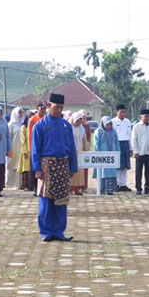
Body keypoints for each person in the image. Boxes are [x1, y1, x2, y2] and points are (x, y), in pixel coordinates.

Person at [31, 93, 77, 242]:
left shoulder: (66, 126)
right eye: (56, 107)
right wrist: (37, 169)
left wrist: (72, 167)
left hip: (62, 165)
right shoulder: (40, 125)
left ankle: (59, 231)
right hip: (46, 166)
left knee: (61, 201)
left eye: (61, 107)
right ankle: (46, 232)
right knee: (45, 201)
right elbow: (35, 149)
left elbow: (71, 148)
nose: (59, 110)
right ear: (49, 106)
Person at [131, 109, 149, 195]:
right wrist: (136, 151)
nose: (146, 118)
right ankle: (138, 188)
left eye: (148, 116)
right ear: (141, 117)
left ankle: (147, 187)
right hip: (140, 152)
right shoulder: (137, 126)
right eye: (145, 116)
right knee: (139, 171)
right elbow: (134, 140)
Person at [93, 116, 120, 195]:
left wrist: (118, 153)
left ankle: (110, 190)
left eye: (110, 124)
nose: (109, 126)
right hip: (102, 156)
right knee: (102, 172)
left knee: (111, 173)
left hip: (112, 156)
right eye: (107, 124)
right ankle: (101, 189)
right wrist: (98, 153)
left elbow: (116, 143)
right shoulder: (99, 131)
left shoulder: (113, 132)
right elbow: (96, 144)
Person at [111, 105, 133, 192]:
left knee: (124, 167)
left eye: (124, 112)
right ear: (117, 112)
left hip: (126, 143)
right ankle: (116, 184)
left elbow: (130, 135)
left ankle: (123, 184)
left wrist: (131, 148)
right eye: (121, 112)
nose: (123, 114)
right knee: (117, 165)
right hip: (117, 144)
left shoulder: (128, 121)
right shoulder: (113, 121)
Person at [69, 111, 91, 195]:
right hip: (71, 152)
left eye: (79, 121)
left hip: (80, 152)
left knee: (79, 171)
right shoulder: (68, 127)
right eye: (77, 121)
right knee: (71, 170)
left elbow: (84, 141)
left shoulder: (81, 129)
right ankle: (69, 188)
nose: (78, 123)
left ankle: (77, 188)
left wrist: (86, 151)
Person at [7, 107, 26, 189]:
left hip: (21, 148)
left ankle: (19, 184)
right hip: (13, 148)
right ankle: (10, 184)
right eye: (19, 112)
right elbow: (8, 138)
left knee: (19, 165)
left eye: (22, 112)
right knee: (11, 165)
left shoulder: (23, 124)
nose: (21, 114)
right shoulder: (10, 125)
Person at [17, 112, 32, 193]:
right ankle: (26, 185)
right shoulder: (23, 127)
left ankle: (31, 185)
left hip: (32, 150)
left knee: (31, 168)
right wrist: (25, 151)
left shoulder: (33, 126)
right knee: (26, 169)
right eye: (29, 117)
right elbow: (22, 141)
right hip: (25, 150)